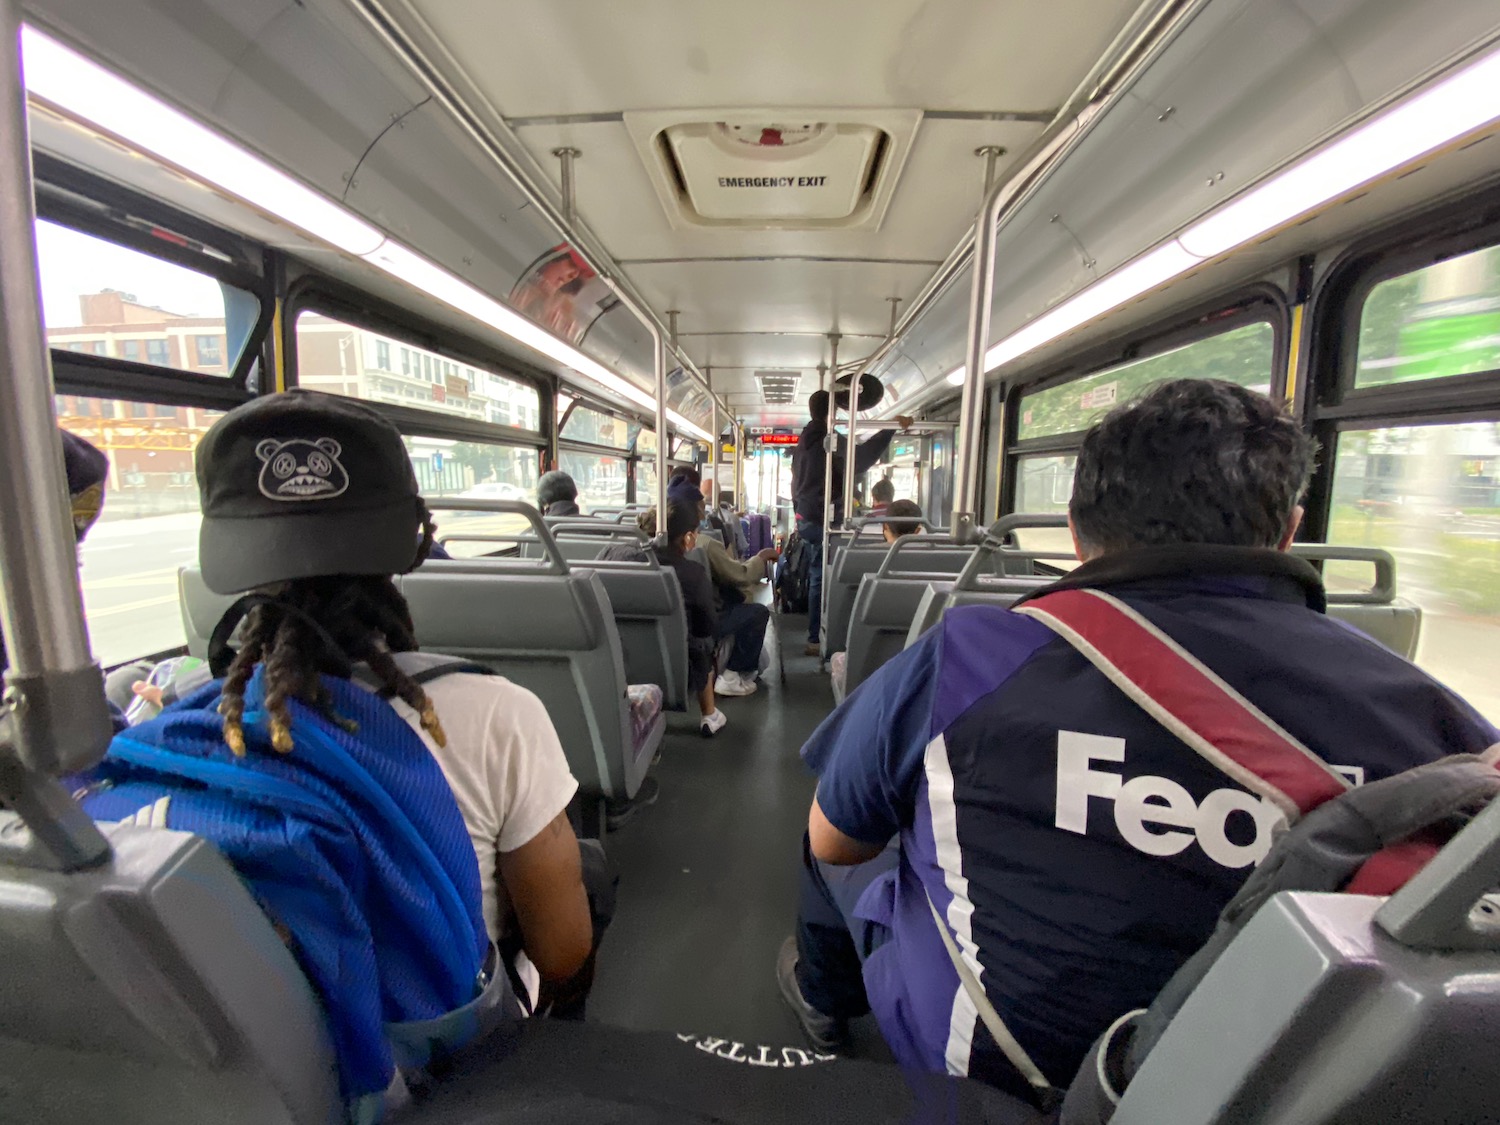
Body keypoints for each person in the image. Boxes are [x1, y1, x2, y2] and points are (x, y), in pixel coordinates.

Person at [776, 379, 1498, 1102]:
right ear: (1288, 529)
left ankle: (825, 1000)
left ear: (1077, 529)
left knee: (836, 842)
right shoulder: (1442, 733)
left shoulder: (970, 658)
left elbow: (839, 840)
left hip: (991, 1073)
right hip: (1280, 1092)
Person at [194, 391, 597, 1014]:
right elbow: (562, 953)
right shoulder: (493, 715)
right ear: (413, 539)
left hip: (269, 1065)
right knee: (589, 876)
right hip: (445, 1056)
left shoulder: (199, 719)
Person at [791, 390, 912, 656]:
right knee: (822, 576)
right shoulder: (828, 438)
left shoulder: (804, 440)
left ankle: (817, 634)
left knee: (817, 574)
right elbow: (862, 458)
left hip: (805, 515)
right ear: (832, 412)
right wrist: (890, 428)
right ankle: (819, 637)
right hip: (821, 517)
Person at [604, 493, 728, 739]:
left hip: (614, 660)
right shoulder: (691, 573)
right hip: (677, 667)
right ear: (688, 537)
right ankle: (709, 713)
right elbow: (706, 626)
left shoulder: (611, 554)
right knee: (702, 641)